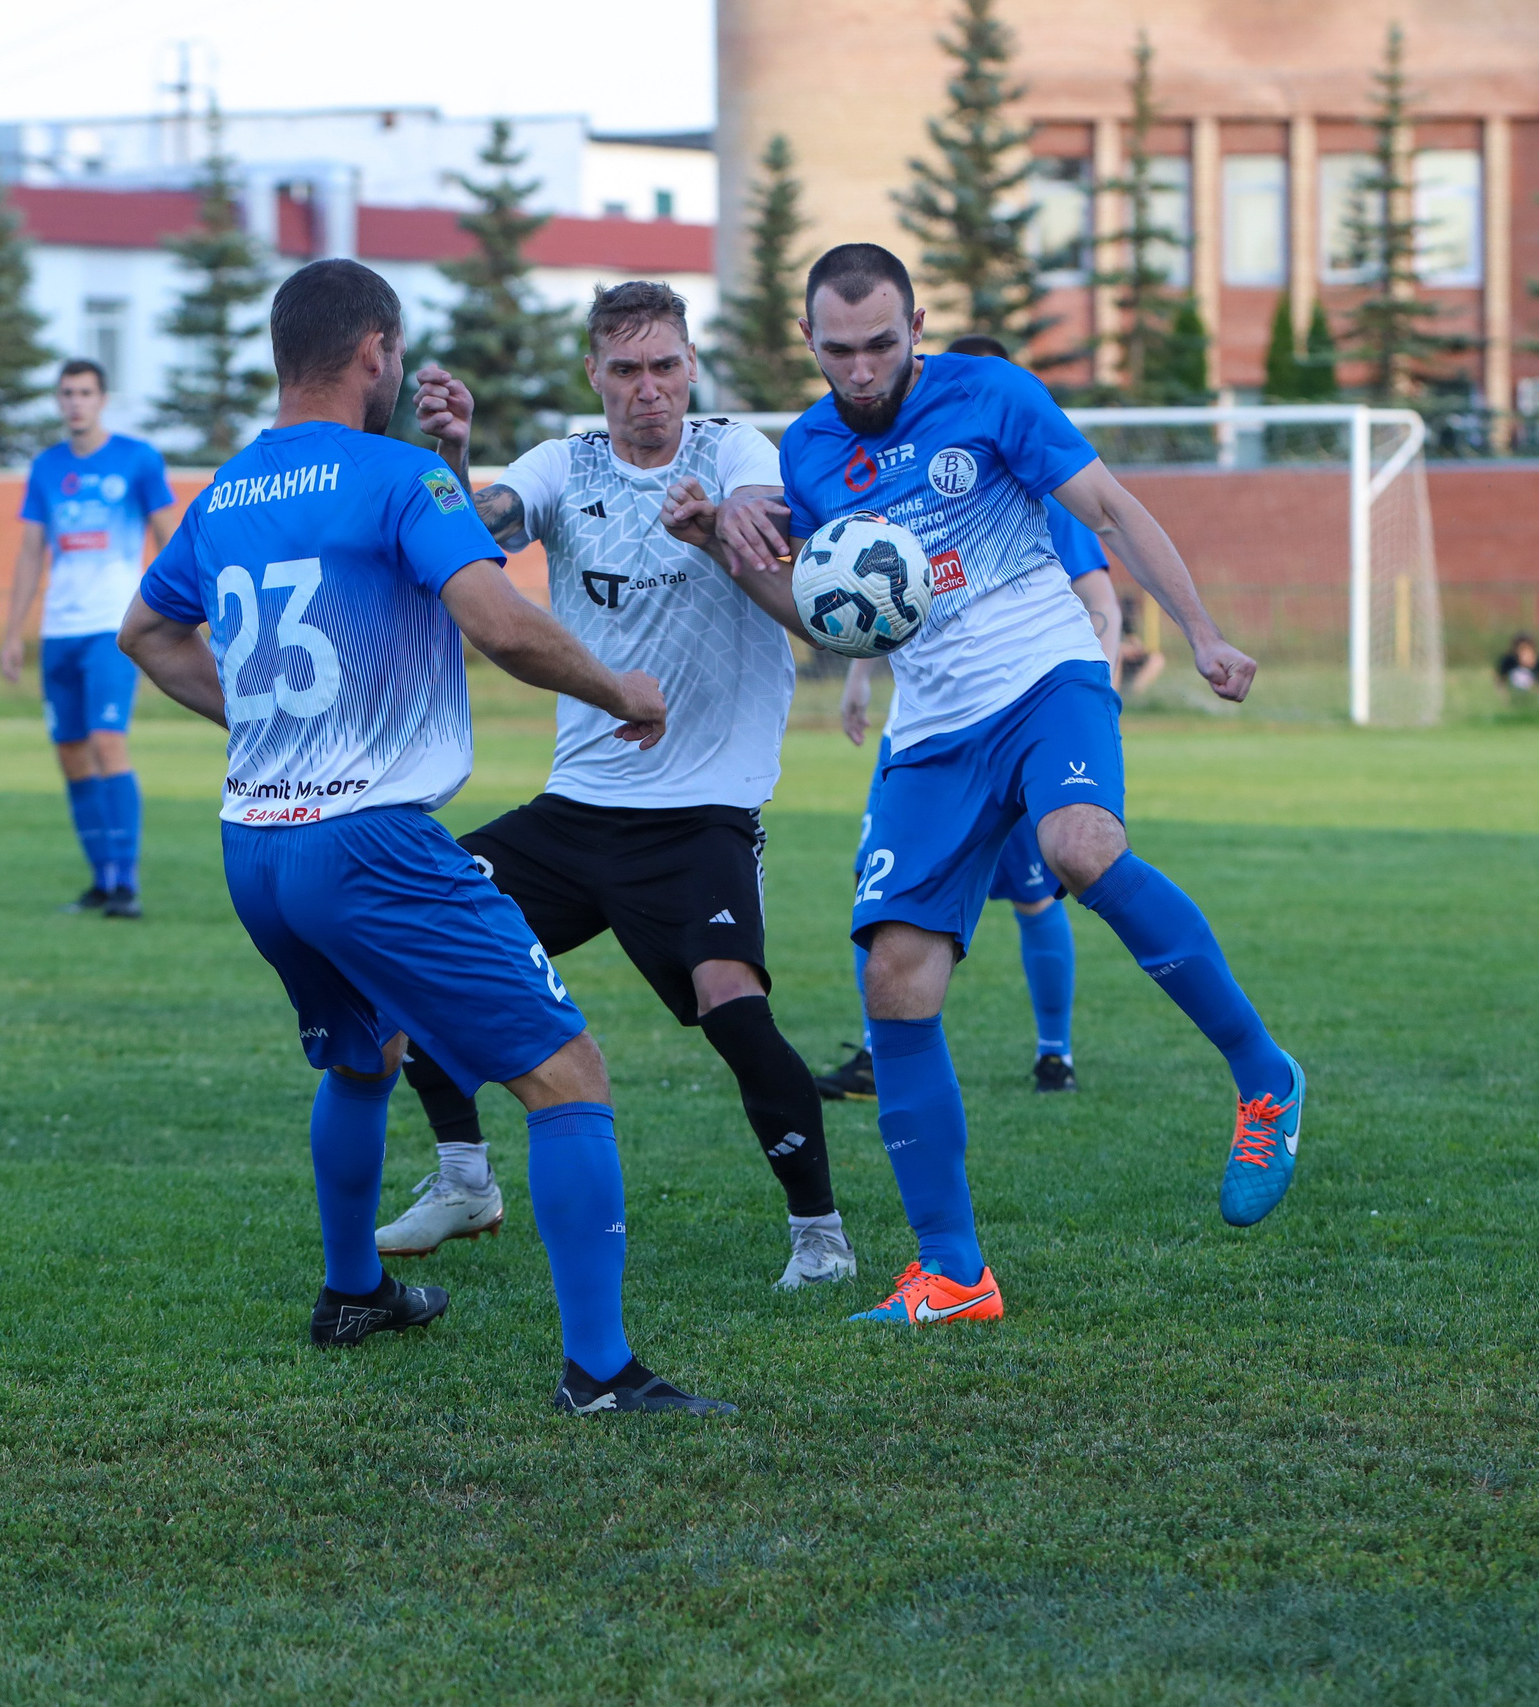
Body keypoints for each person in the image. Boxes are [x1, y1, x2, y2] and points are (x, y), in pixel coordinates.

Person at [118, 258, 732, 1416]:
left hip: (257, 843)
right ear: (375, 354)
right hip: (371, 844)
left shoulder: (228, 490)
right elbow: (500, 622)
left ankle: (355, 1292)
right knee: (568, 1076)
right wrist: (622, 694)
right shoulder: (402, 476)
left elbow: (146, 631)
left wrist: (263, 727)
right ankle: (600, 1373)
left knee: (365, 1052)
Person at [664, 243, 1305, 1330]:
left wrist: (1200, 634)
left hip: (1043, 672)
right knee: (896, 983)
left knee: (1077, 846)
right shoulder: (810, 455)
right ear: (809, 345)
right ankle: (953, 1275)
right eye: (840, 350)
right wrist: (725, 552)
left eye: (881, 344)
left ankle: (1262, 1078)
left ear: (916, 327)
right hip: (930, 726)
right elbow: (824, 615)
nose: (862, 369)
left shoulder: (993, 394)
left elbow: (1107, 508)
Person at [371, 282, 860, 1293]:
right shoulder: (564, 464)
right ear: (594, 374)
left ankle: (819, 1236)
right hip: (578, 808)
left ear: (692, 369)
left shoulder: (735, 456)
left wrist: (715, 527)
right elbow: (481, 536)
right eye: (627, 370)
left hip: (701, 813)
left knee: (732, 1007)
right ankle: (464, 1177)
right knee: (406, 932)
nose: (649, 390)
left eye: (666, 367)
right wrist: (455, 457)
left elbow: (779, 543)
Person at [815, 335, 1125, 1103]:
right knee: (877, 890)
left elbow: (1102, 604)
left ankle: (1055, 1051)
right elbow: (882, 592)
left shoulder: (1039, 487)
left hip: (1024, 714)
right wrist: (860, 680)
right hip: (925, 724)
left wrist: (1088, 707)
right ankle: (879, 1055)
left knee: (1036, 889)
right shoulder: (909, 480)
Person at [0, 360, 180, 918]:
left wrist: (182, 612)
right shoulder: (46, 467)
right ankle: (100, 880)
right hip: (60, 631)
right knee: (71, 754)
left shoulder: (137, 459)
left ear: (103, 399)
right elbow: (31, 552)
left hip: (111, 627)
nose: (75, 402)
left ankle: (126, 884)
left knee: (108, 742)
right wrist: (12, 632)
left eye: (84, 393)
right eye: (66, 394)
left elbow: (169, 536)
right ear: (58, 401)